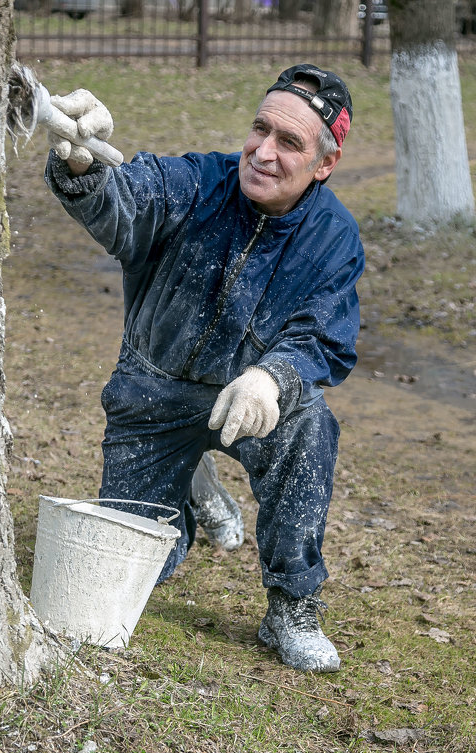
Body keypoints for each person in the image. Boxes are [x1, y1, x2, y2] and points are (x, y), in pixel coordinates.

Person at [44, 64, 365, 673]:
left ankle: (291, 608)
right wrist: (84, 167)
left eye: (289, 143)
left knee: (310, 427)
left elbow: (324, 336)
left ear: (324, 164)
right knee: (135, 569)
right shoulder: (196, 182)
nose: (263, 152)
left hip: (248, 400)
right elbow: (128, 202)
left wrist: (273, 377)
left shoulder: (334, 239)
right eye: (260, 129)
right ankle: (193, 483)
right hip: (151, 392)